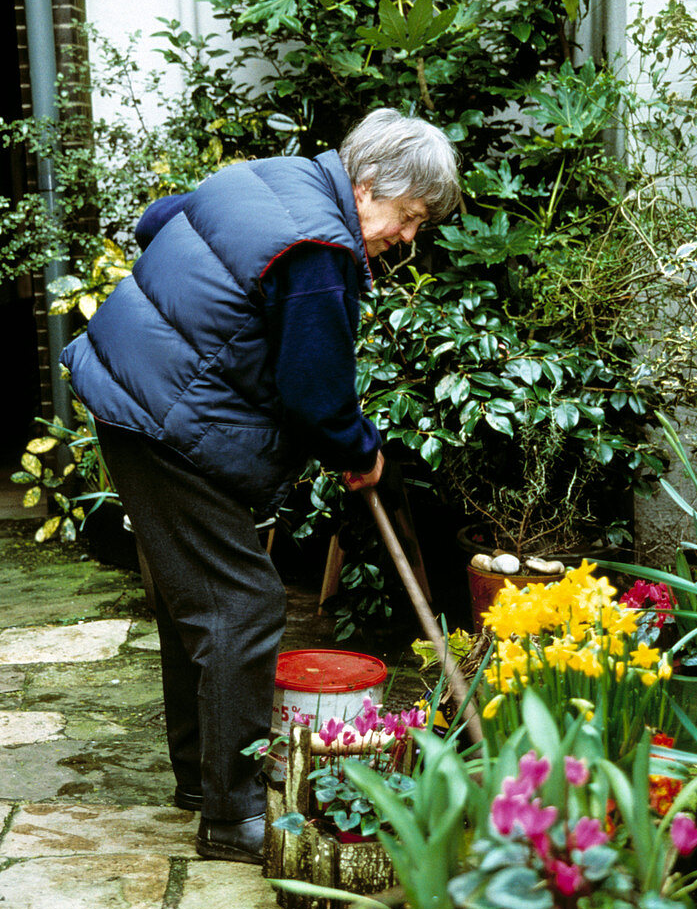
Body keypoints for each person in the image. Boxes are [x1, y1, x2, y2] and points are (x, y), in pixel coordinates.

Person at [60, 108, 460, 864]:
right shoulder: (319, 248)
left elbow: (161, 221)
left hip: (134, 398)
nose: (407, 238)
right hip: (164, 418)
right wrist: (361, 451)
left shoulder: (272, 179)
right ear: (368, 185)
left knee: (200, 600)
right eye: (407, 218)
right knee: (242, 603)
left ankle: (199, 783)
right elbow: (315, 395)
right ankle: (234, 817)